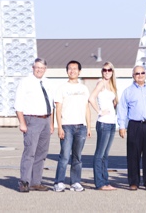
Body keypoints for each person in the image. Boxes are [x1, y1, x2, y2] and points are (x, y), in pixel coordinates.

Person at [117, 65, 146, 191]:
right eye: (137, 73)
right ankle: (134, 182)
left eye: (142, 73)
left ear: (145, 75)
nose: (140, 75)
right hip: (134, 125)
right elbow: (122, 109)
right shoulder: (128, 91)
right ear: (133, 76)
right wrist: (121, 126)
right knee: (133, 154)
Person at [14, 58, 55, 192]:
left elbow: (52, 104)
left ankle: (36, 182)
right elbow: (18, 104)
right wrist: (22, 123)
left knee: (41, 153)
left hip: (46, 119)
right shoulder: (25, 82)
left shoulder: (48, 83)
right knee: (30, 152)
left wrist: (51, 123)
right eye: (37, 67)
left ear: (45, 69)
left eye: (42, 68)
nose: (39, 70)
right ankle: (25, 182)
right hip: (32, 119)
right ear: (33, 68)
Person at [53, 60, 91, 192]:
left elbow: (87, 108)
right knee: (64, 156)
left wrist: (88, 126)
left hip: (81, 126)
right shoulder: (62, 88)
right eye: (70, 68)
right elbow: (58, 109)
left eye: (75, 69)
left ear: (79, 71)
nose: (72, 71)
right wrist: (60, 127)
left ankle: (75, 182)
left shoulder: (84, 88)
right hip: (67, 126)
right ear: (67, 71)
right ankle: (59, 182)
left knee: (77, 157)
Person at [88, 62, 118, 191]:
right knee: (99, 154)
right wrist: (99, 111)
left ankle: (105, 181)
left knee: (105, 155)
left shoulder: (111, 85)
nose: (106, 72)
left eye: (109, 70)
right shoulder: (101, 83)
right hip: (103, 122)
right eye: (104, 70)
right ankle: (99, 183)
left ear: (112, 71)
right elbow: (91, 98)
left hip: (111, 123)